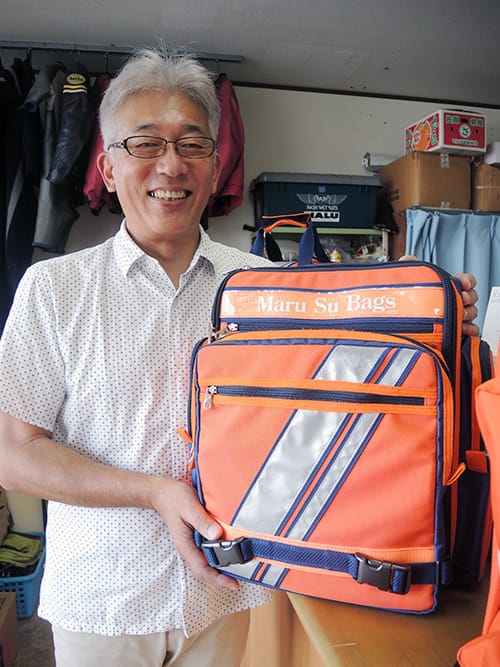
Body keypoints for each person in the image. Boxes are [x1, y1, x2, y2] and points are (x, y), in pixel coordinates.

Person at [0, 46, 479, 667]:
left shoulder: (266, 286)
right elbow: (13, 454)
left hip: (234, 589)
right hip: (104, 601)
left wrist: (424, 308)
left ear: (215, 165)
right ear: (108, 168)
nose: (171, 164)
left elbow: (343, 371)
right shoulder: (53, 288)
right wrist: (154, 492)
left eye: (191, 144)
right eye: (145, 143)